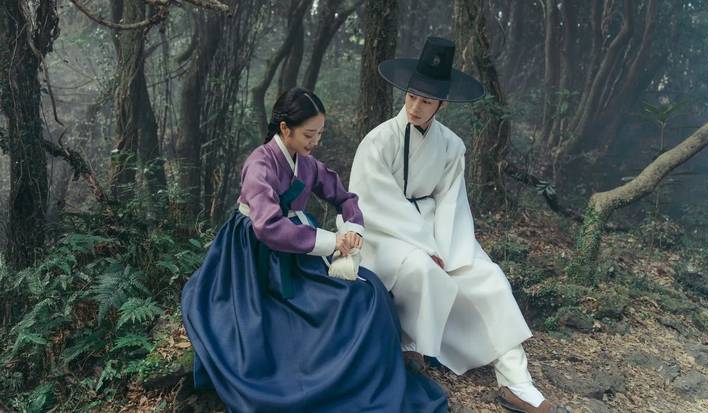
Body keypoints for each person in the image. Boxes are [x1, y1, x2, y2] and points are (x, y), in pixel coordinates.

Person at [181, 87, 448, 413]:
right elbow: (266, 226)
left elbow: (345, 199)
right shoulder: (260, 164)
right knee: (317, 310)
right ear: (284, 129)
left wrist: (352, 229)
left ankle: (370, 376)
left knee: (370, 291)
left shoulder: (306, 163)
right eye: (309, 134)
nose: (315, 142)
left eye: (319, 134)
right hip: (251, 257)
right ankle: (323, 380)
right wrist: (329, 241)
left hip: (297, 248)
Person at [349, 37, 563, 413]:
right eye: (411, 97)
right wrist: (425, 248)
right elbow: (371, 201)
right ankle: (414, 348)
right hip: (384, 233)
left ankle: (518, 383)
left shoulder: (452, 146)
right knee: (420, 269)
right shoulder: (378, 141)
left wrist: (447, 251)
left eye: (426, 101)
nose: (415, 107)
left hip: (436, 232)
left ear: (442, 104)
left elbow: (452, 203)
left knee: (489, 279)